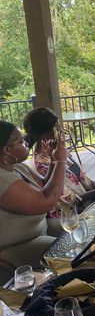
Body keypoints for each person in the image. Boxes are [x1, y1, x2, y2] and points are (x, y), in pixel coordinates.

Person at [0, 120, 66, 282]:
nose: (27, 143)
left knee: (82, 233)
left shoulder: (16, 167)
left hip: (39, 229)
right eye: (21, 141)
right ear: (7, 150)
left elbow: (44, 186)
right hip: (18, 245)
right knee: (72, 253)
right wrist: (61, 161)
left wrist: (52, 160)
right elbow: (47, 200)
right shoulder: (2, 181)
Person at [23, 107, 95, 217]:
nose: (62, 131)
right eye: (57, 128)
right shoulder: (41, 165)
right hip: (79, 213)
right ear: (45, 134)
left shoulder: (59, 150)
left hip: (92, 201)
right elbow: (70, 202)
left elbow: (82, 178)